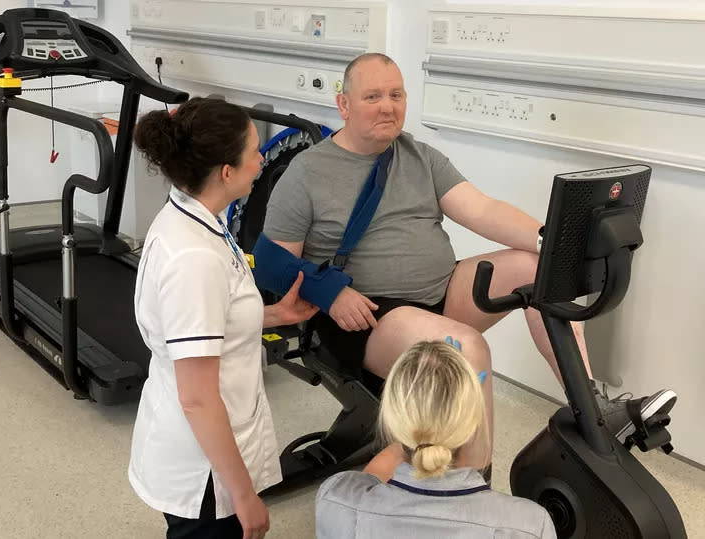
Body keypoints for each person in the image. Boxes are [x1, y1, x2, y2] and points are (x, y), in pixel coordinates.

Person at [259, 53, 677, 472]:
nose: (387, 105)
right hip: (364, 313)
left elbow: (483, 210)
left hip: (440, 292)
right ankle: (475, 488)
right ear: (344, 105)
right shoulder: (308, 172)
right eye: (372, 96)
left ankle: (595, 408)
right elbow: (272, 262)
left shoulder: (420, 156)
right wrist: (330, 293)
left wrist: (550, 241)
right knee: (469, 351)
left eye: (396, 94)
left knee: (537, 267)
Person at [128, 97, 318, 539]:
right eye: (254, 151)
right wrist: (244, 494)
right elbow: (196, 397)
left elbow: (211, 319)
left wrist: (272, 314)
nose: (261, 161)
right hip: (204, 472)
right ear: (226, 172)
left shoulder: (194, 215)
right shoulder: (193, 257)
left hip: (202, 444)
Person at [315, 340, 556, 538]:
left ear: (391, 419)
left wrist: (423, 417)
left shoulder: (336, 498)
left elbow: (371, 479)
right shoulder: (530, 525)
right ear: (473, 421)